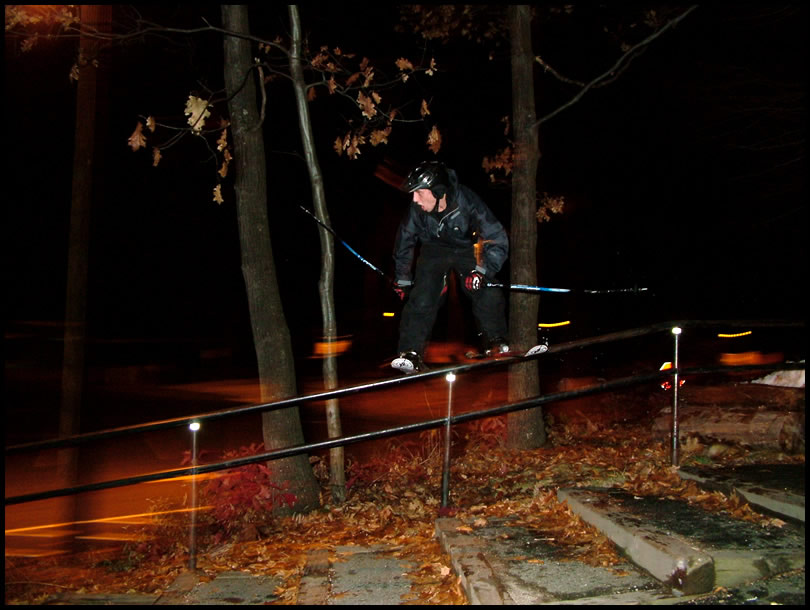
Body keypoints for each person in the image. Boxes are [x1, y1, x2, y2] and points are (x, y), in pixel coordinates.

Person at [391, 161, 509, 373]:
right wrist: (403, 278)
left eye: (420, 193)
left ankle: (496, 340)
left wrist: (482, 271)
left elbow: (496, 237)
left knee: (485, 289)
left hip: (466, 249)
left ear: (438, 192)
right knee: (424, 295)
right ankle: (411, 352)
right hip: (433, 249)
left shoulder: (468, 201)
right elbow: (405, 241)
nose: (415, 200)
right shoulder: (416, 210)